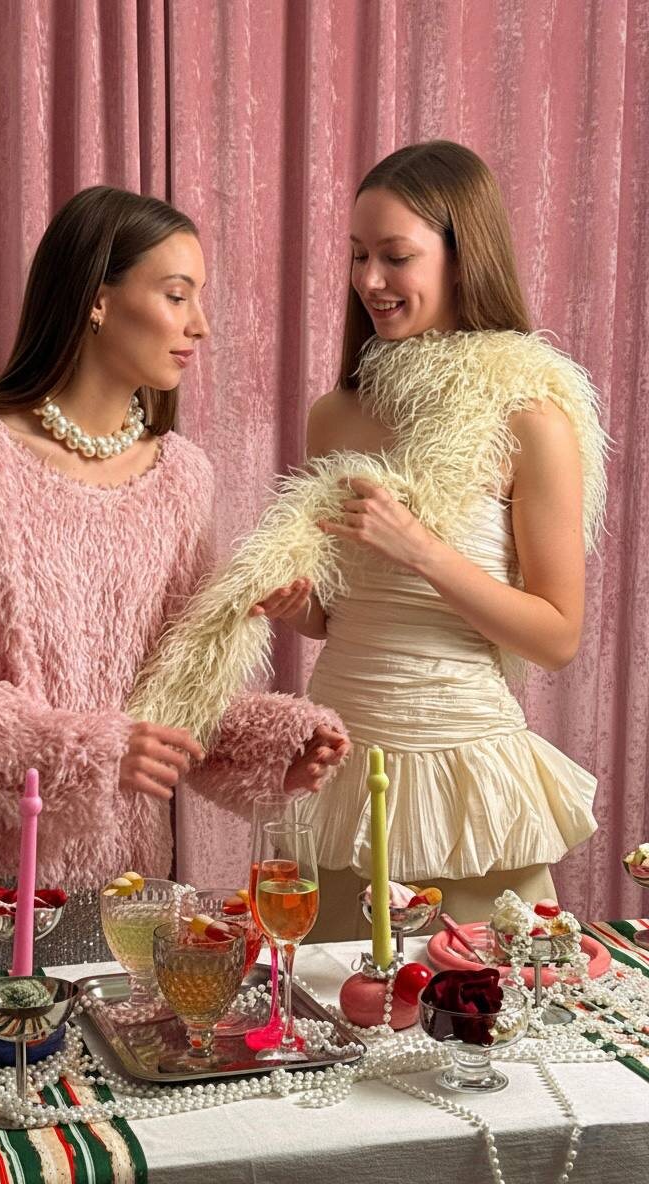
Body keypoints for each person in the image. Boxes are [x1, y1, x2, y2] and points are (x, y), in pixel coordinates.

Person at [0, 186, 348, 971]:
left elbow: (175, 690)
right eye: (176, 295)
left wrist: (275, 745)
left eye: (199, 298)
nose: (199, 325)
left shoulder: (182, 476)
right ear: (97, 299)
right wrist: (90, 754)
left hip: (118, 885)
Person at [275, 140, 607, 935]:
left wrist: (421, 548)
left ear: (463, 259)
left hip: (466, 787)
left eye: (396, 256)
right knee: (327, 1008)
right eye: (358, 255)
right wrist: (293, 601)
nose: (369, 280)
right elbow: (337, 616)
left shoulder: (532, 418)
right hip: (341, 775)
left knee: (486, 1007)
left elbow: (557, 636)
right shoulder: (334, 415)